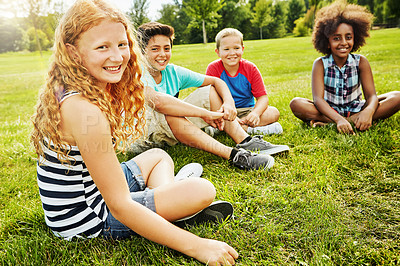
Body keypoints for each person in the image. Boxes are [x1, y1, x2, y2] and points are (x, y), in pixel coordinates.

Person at [30, 0, 239, 265]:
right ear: (73, 52)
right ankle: (174, 206)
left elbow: (157, 99)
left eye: (121, 44)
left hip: (89, 196)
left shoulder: (75, 86)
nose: (117, 56)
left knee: (158, 156)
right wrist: (198, 246)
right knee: (202, 190)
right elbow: (119, 205)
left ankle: (170, 198)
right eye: (102, 47)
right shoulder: (84, 111)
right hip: (87, 220)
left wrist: (205, 114)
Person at [134, 22, 289, 171]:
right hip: (144, 137)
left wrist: (228, 102)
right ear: (142, 51)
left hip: (169, 130)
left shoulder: (172, 71)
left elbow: (216, 81)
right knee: (171, 112)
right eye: (155, 49)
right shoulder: (137, 73)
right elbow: (159, 102)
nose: (162, 54)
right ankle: (234, 156)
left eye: (166, 48)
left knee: (210, 89)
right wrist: (206, 114)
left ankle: (245, 141)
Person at [290, 1, 400, 134]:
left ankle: (341, 122)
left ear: (355, 39)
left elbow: (372, 97)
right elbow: (318, 100)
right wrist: (337, 119)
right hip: (328, 111)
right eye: (336, 38)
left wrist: (368, 112)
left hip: (356, 108)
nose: (343, 43)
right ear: (327, 42)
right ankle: (348, 122)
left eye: (348, 37)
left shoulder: (361, 62)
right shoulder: (320, 64)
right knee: (296, 104)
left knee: (397, 97)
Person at [206, 28, 283, 136]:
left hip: (247, 111)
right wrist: (226, 114)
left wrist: (255, 114)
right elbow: (209, 95)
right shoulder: (213, 68)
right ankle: (250, 130)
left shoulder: (250, 68)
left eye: (236, 48)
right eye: (226, 49)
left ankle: (233, 128)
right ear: (218, 52)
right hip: (223, 111)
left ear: (242, 49)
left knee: (273, 112)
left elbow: (263, 98)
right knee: (205, 116)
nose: (232, 53)